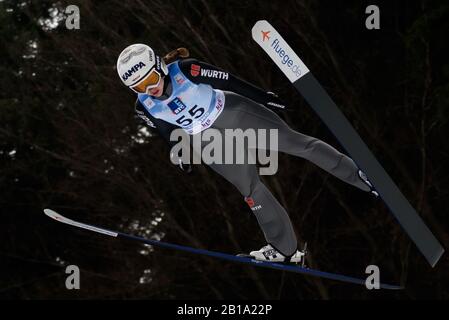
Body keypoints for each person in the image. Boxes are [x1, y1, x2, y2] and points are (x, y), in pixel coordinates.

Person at [116, 44, 378, 264]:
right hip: (207, 140)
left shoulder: (186, 69)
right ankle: (284, 249)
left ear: (159, 67)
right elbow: (166, 128)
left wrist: (263, 98)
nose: (149, 90)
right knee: (250, 190)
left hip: (232, 112)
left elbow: (228, 80)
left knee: (297, 145)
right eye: (139, 88)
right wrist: (179, 151)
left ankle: (361, 177)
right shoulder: (144, 107)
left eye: (150, 80)